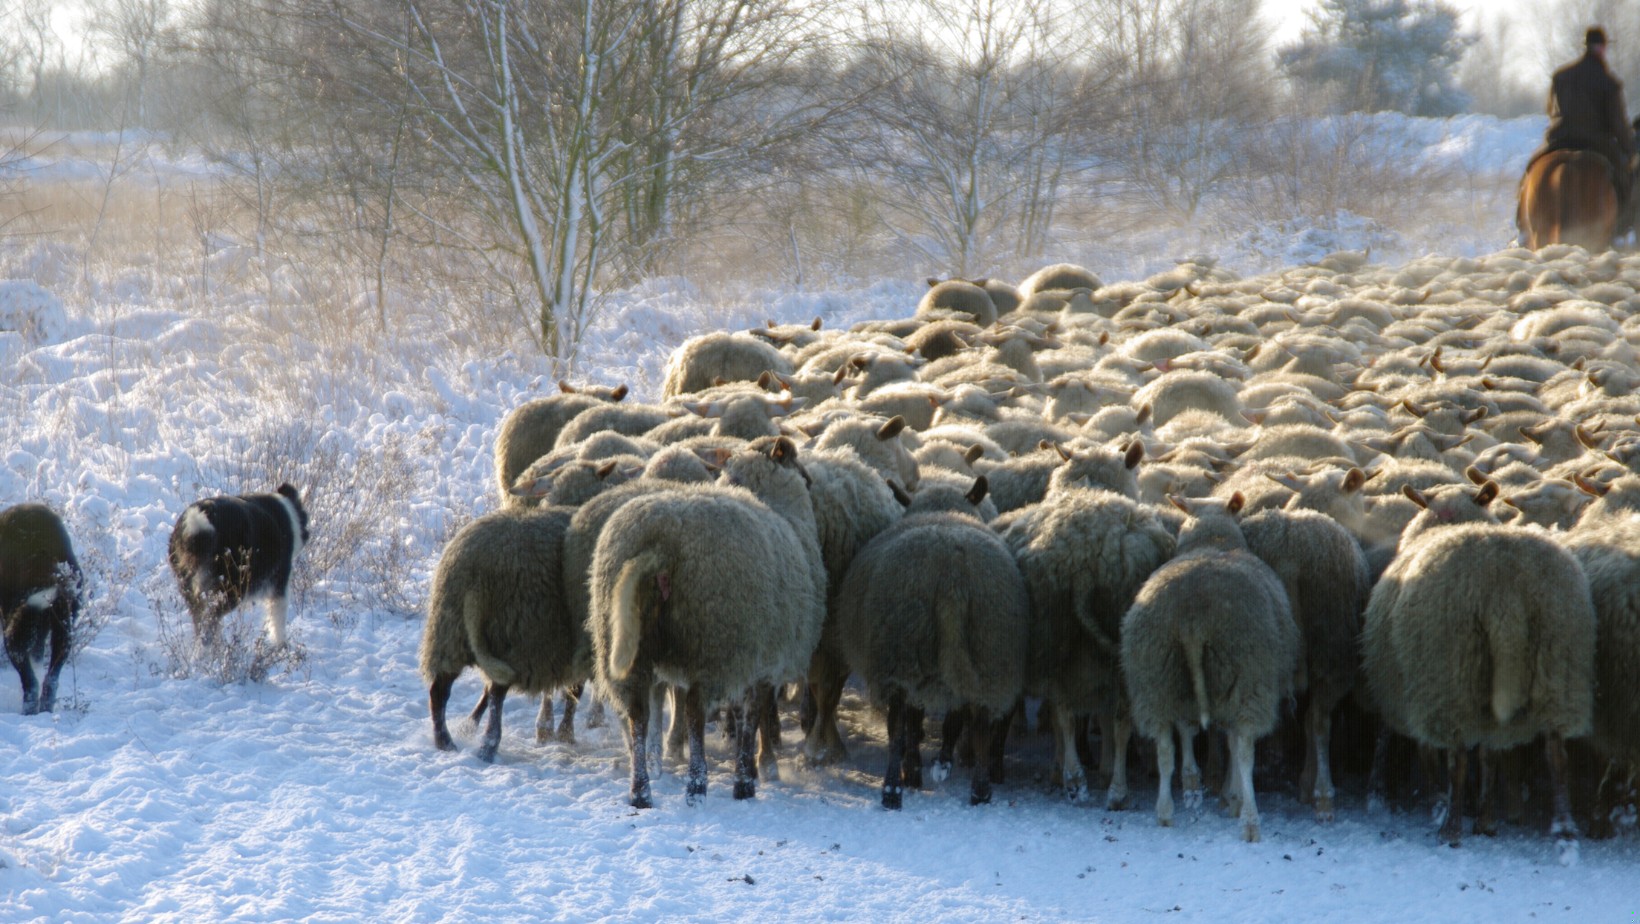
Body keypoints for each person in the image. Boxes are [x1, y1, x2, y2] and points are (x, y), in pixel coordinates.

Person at [1541, 27, 1638, 236]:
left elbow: (1551, 110)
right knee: (1624, 179)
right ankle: (1619, 227)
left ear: (1585, 46)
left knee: (1532, 170)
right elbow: (1617, 123)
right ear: (1603, 48)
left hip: (1561, 140)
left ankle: (1522, 227)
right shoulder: (1609, 83)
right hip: (1596, 143)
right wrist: (1629, 150)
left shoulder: (1561, 76)